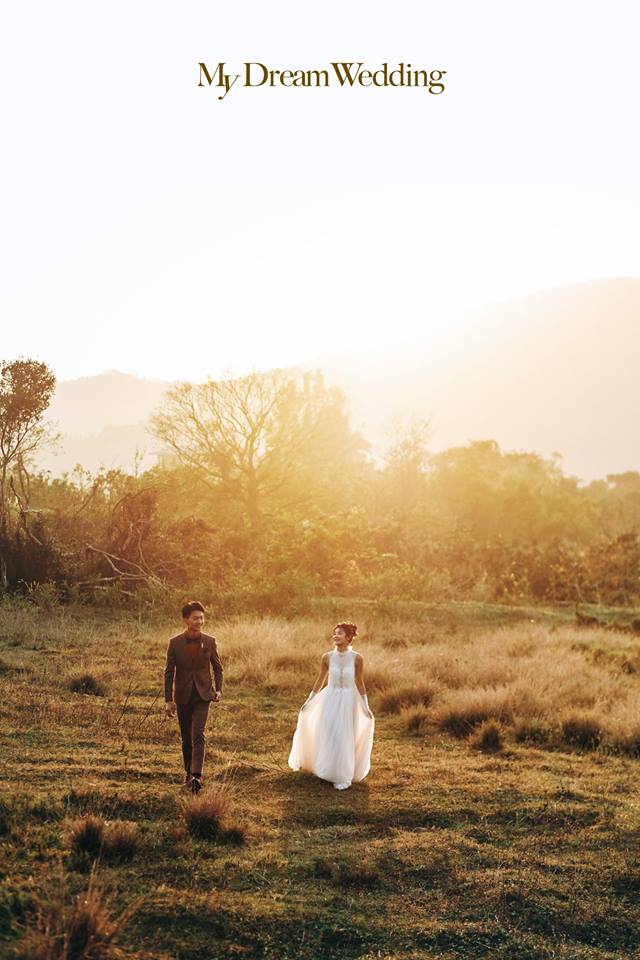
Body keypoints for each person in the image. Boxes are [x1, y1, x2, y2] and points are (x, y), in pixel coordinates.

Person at [288, 621, 374, 790]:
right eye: (334, 633)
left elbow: (360, 683)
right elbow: (321, 680)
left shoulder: (357, 658)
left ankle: (341, 775)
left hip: (349, 699)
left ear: (349, 637)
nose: (335, 636)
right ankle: (325, 767)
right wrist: (309, 700)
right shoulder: (327, 657)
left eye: (340, 633)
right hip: (330, 698)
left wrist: (365, 706)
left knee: (344, 735)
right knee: (328, 732)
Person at [164, 601, 223, 794]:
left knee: (198, 734)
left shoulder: (210, 640)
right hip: (182, 695)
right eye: (195, 618)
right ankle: (188, 772)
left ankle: (197, 775)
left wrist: (219, 689)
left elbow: (217, 667)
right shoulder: (174, 643)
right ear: (186, 620)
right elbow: (169, 672)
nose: (200, 621)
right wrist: (168, 700)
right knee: (186, 738)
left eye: (202, 618)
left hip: (203, 694)